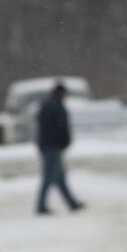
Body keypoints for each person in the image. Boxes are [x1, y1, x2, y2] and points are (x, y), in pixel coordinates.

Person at [34, 82, 84, 215]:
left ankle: (71, 202)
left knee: (59, 178)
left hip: (49, 145)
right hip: (52, 146)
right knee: (49, 176)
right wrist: (62, 141)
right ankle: (41, 206)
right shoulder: (54, 105)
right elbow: (59, 126)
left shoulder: (48, 104)